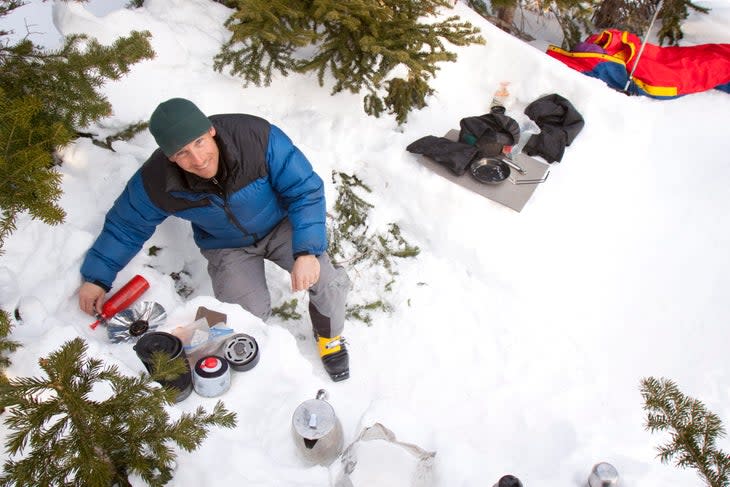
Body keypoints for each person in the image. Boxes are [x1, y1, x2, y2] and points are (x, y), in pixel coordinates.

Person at [78, 98, 351, 381]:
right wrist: (97, 278)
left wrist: (306, 252)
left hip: (281, 224)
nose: (197, 160)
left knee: (327, 281)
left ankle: (329, 338)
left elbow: (304, 190)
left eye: (199, 142)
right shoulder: (156, 181)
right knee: (243, 314)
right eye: (182, 153)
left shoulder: (256, 138)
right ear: (170, 157)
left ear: (211, 131)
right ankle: (252, 362)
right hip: (227, 246)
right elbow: (127, 225)